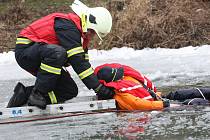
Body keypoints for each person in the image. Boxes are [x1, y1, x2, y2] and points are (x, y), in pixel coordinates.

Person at [7, 0, 115, 109]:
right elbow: (78, 62)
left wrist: (100, 84)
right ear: (88, 23)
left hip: (43, 54)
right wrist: (98, 88)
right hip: (26, 51)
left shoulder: (80, 36)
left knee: (69, 90)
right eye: (92, 32)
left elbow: (84, 64)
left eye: (94, 34)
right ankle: (38, 94)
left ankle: (24, 94)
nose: (92, 36)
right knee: (58, 53)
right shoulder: (68, 26)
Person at [94, 63, 171, 111]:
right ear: (113, 81)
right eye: (119, 77)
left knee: (177, 95)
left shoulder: (123, 82)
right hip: (137, 117)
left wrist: (154, 94)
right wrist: (162, 105)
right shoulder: (119, 93)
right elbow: (136, 104)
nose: (122, 77)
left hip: (154, 101)